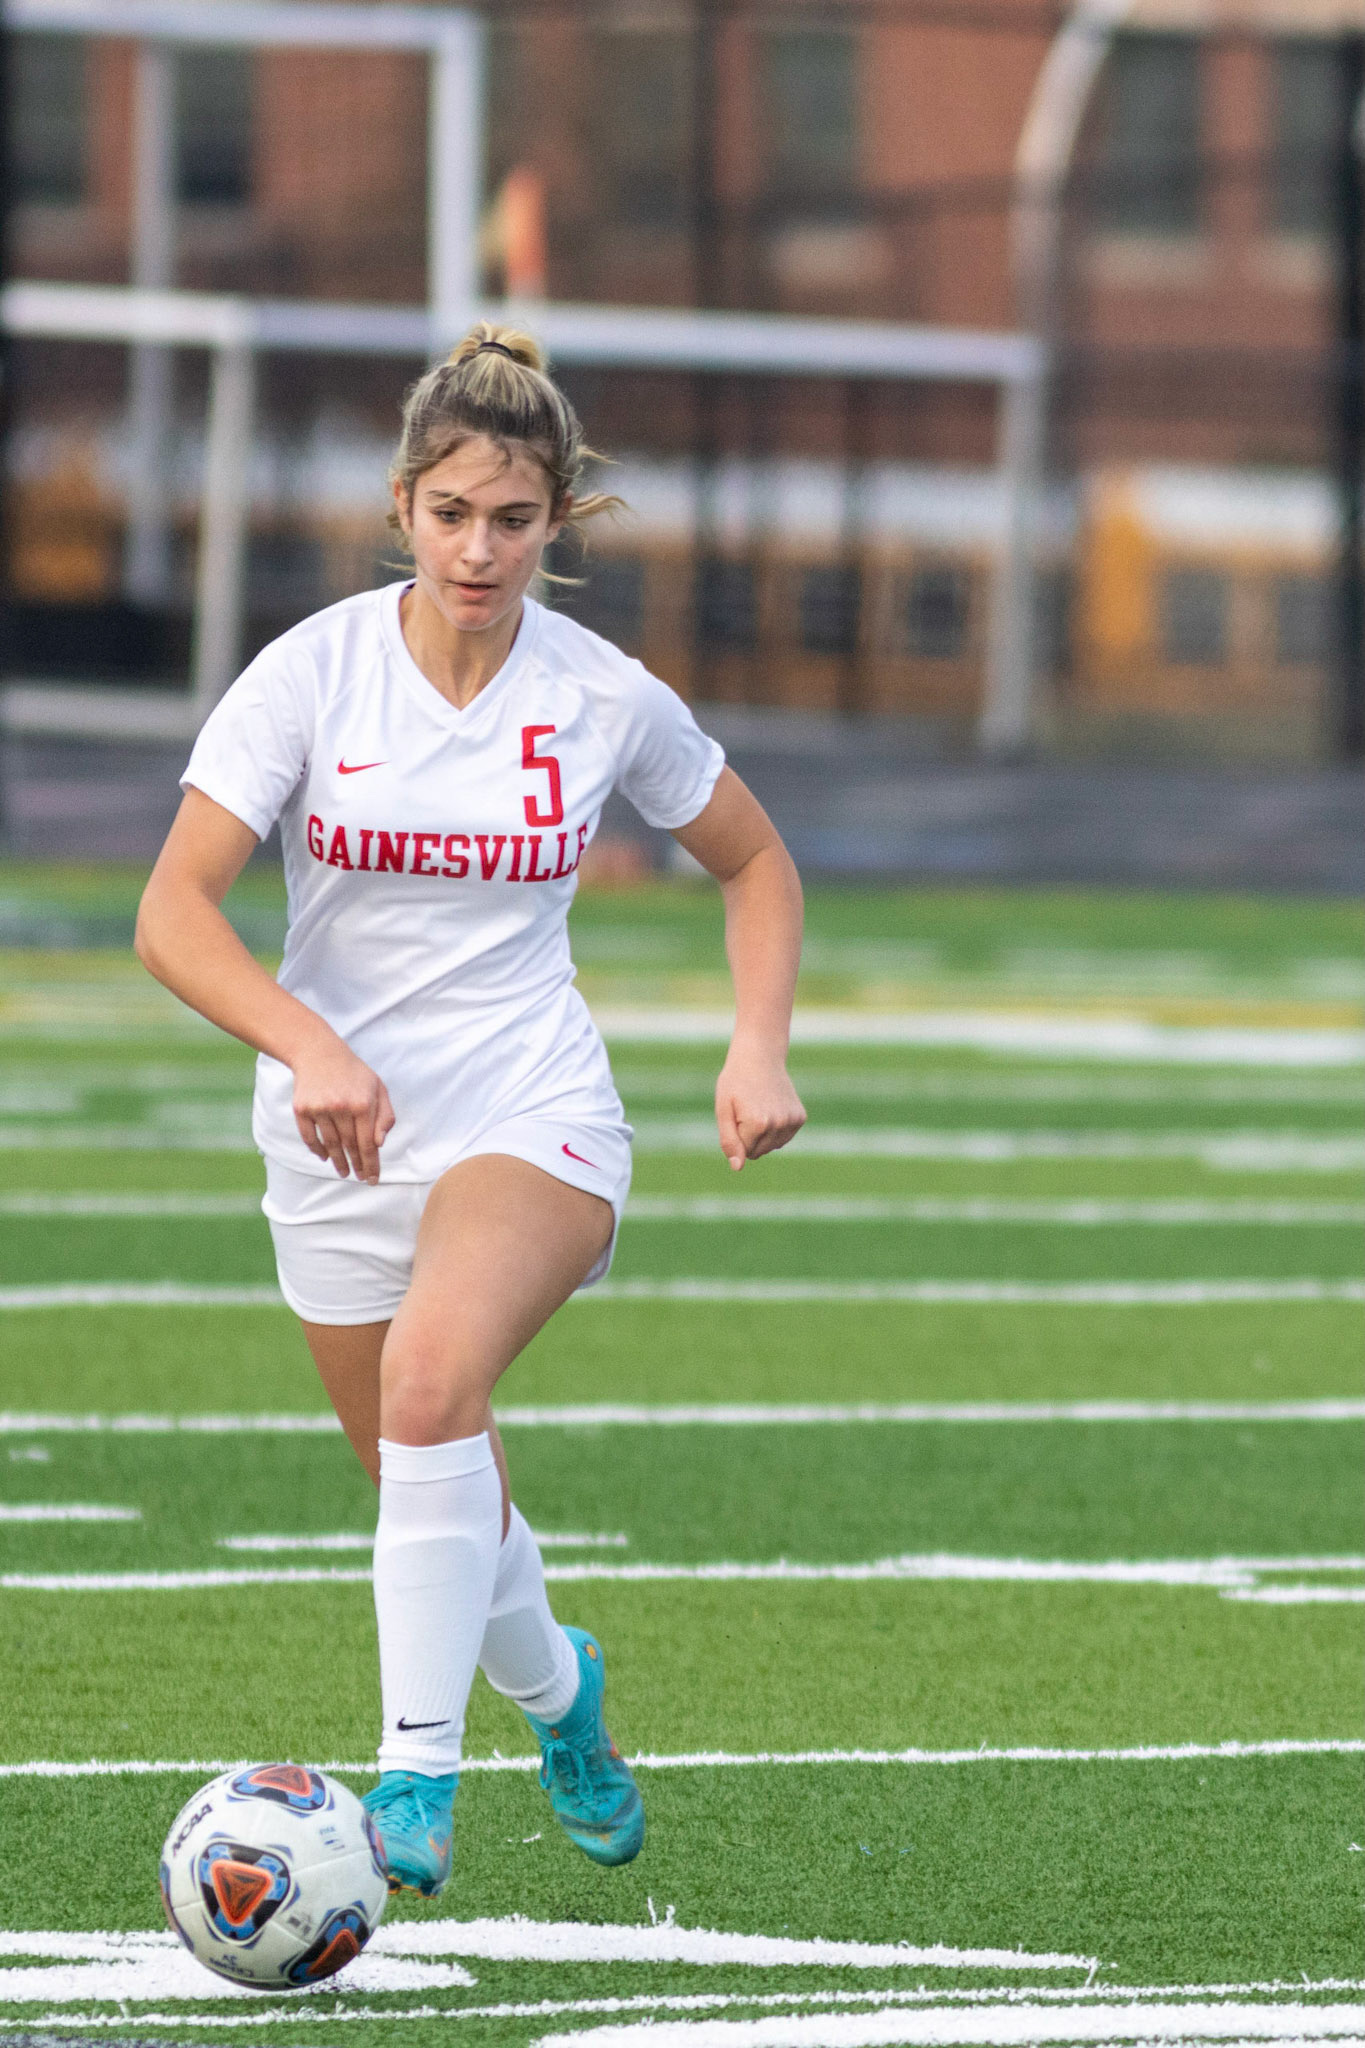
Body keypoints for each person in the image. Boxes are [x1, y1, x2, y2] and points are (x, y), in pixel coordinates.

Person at [135, 324, 806, 1899]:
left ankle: (413, 1784)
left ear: (556, 519)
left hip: (529, 1107)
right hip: (335, 1132)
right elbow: (170, 912)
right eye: (450, 515)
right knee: (427, 1476)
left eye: (512, 519)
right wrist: (308, 1046)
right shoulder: (311, 673)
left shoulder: (600, 695)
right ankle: (562, 1696)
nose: (479, 551)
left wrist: (756, 1046)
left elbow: (755, 860)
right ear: (402, 508)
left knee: (434, 1383)